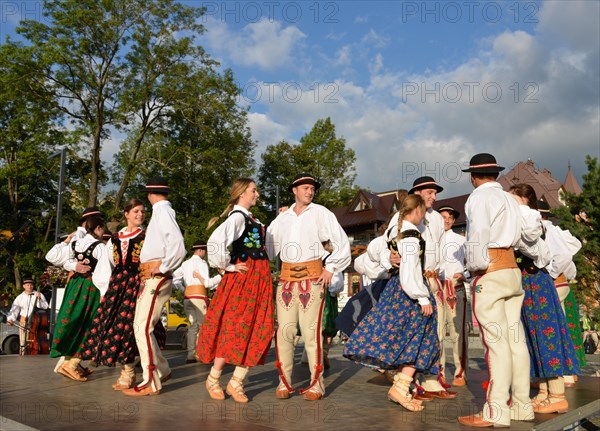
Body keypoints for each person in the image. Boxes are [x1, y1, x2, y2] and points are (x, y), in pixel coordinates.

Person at [344, 194, 439, 412]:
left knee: (408, 337)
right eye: (423, 211)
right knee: (421, 338)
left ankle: (402, 386)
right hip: (409, 292)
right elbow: (410, 270)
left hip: (395, 290)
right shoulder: (411, 235)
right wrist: (421, 296)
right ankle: (401, 386)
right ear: (416, 211)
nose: (424, 216)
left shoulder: (392, 232)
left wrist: (387, 261)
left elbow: (373, 256)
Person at [457, 153, 531, 428]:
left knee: (496, 344)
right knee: (516, 340)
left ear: (473, 177)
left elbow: (477, 236)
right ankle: (523, 405)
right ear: (496, 174)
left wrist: (474, 268)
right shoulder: (510, 201)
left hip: (491, 270)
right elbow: (526, 238)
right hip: (512, 269)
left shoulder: (479, 198)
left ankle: (496, 410)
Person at [266, 173, 351, 401]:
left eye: (312, 188)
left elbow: (342, 243)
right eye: (305, 187)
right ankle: (284, 381)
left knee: (312, 334)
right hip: (285, 279)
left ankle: (316, 383)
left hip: (313, 278)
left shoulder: (321, 213)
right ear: (294, 190)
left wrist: (330, 268)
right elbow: (268, 248)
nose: (309, 191)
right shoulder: (282, 219)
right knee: (284, 332)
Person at [196, 178, 275, 403]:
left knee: (259, 327)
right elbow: (214, 242)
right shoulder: (238, 217)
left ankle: (236, 381)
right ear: (242, 194)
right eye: (253, 190)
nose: (257, 194)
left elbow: (270, 249)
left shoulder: (252, 219)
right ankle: (213, 378)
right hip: (245, 279)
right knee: (234, 326)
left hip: (259, 280)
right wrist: (228, 266)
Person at [509, 184, 580, 414]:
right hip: (525, 283)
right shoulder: (518, 221)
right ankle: (543, 392)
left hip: (538, 282)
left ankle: (557, 394)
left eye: (513, 198)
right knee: (532, 336)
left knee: (546, 333)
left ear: (524, 200)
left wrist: (547, 271)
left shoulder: (535, 221)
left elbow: (563, 254)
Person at [74, 199, 159, 390]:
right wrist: (106, 291)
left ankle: (134, 372)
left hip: (138, 284)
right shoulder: (114, 238)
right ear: (126, 214)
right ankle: (128, 370)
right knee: (114, 329)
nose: (140, 214)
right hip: (118, 287)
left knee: (131, 329)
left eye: (142, 211)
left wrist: (147, 283)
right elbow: (105, 266)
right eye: (136, 211)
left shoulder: (146, 237)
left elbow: (152, 262)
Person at [123, 178, 186, 396]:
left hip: (155, 277)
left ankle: (151, 380)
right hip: (153, 276)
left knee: (141, 327)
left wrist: (163, 267)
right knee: (142, 326)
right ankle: (162, 369)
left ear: (150, 195)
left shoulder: (161, 212)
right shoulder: (163, 213)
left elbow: (178, 246)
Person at [407, 177, 456, 398]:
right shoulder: (404, 215)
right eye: (430, 193)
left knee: (437, 333)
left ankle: (433, 378)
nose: (434, 197)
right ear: (417, 192)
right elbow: (389, 242)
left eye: (435, 193)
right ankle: (411, 381)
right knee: (415, 333)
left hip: (434, 280)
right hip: (414, 280)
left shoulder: (436, 218)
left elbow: (440, 250)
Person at [45, 207, 104, 375]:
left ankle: (72, 363)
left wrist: (74, 265)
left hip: (80, 283)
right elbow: (55, 258)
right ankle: (68, 364)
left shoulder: (84, 240)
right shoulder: (78, 239)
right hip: (86, 284)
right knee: (83, 321)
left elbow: (63, 260)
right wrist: (75, 265)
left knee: (77, 320)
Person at [538, 200, 583, 387]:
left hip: (552, 283)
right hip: (561, 282)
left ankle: (560, 375)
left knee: (551, 329)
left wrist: (551, 274)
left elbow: (564, 256)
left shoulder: (546, 231)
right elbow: (575, 246)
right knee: (561, 326)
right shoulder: (556, 230)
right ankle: (568, 373)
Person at [173, 240, 222, 364]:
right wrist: (220, 277)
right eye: (204, 251)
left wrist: (184, 289)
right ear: (201, 250)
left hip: (188, 297)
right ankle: (200, 353)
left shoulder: (185, 264)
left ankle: (191, 354)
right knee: (202, 326)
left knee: (192, 326)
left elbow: (174, 279)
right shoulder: (202, 263)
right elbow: (207, 283)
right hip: (199, 296)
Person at [437, 205, 469, 387]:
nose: (447, 220)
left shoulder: (461, 240)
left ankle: (460, 372)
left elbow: (472, 263)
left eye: (450, 217)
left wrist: (466, 275)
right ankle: (439, 370)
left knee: (458, 332)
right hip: (437, 288)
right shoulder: (431, 239)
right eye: (443, 216)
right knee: (438, 333)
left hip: (456, 288)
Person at [7, 277, 49, 355]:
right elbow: (14, 309)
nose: (30, 286)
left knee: (36, 340)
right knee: (23, 342)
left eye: (31, 285)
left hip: (36, 322)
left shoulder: (39, 294)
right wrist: (10, 319)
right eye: (28, 285)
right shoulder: (20, 297)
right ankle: (23, 355)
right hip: (24, 322)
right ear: (24, 286)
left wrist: (39, 299)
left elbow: (45, 306)